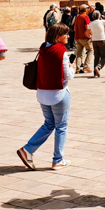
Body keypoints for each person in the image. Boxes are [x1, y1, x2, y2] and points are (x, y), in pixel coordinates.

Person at [17, 23, 74, 170]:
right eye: (65, 34)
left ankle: (28, 149)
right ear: (57, 37)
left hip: (42, 93)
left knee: (49, 123)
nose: (68, 36)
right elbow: (68, 75)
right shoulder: (61, 51)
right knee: (61, 126)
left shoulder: (43, 48)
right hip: (58, 94)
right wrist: (73, 69)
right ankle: (58, 159)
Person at [89, 10, 105, 78]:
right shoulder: (102, 21)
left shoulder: (91, 23)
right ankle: (98, 67)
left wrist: (91, 37)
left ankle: (95, 73)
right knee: (104, 56)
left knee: (96, 56)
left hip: (94, 41)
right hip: (102, 40)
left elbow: (88, 33)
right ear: (99, 16)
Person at [73, 4, 93, 74]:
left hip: (77, 37)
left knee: (79, 53)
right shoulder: (86, 17)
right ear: (85, 9)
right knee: (90, 50)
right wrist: (90, 36)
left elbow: (75, 28)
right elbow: (87, 27)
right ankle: (86, 66)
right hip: (84, 37)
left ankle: (78, 69)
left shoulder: (77, 17)